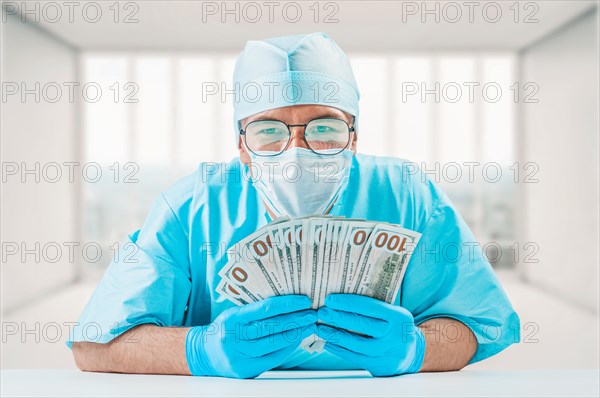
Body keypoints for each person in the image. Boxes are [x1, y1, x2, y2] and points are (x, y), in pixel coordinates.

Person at [68, 32, 520, 379]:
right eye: (269, 131)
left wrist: (417, 348)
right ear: (242, 145)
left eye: (325, 127)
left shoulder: (407, 193)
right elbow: (94, 345)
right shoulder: (190, 205)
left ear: (355, 137)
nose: (296, 150)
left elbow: (476, 325)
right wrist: (201, 350)